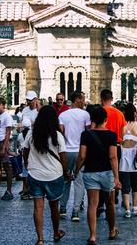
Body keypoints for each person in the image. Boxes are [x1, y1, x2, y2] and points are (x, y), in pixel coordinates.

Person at [74, 106, 121, 244]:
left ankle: (93, 235)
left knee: (92, 205)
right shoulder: (112, 135)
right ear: (106, 120)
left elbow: (82, 156)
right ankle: (112, 230)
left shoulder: (86, 134)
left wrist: (76, 170)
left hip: (91, 173)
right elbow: (113, 157)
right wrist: (117, 177)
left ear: (92, 119)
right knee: (110, 203)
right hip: (107, 173)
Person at [23, 105, 69, 244]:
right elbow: (63, 157)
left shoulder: (32, 134)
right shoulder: (57, 135)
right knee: (54, 206)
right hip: (54, 174)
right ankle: (56, 232)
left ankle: (40, 239)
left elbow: (25, 151)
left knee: (38, 207)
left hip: (35, 174)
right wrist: (65, 172)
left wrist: (27, 165)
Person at [58, 91, 91, 221]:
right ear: (77, 99)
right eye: (82, 99)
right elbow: (88, 132)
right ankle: (75, 212)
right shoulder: (85, 115)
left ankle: (62, 208)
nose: (84, 101)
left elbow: (60, 132)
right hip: (80, 151)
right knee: (79, 182)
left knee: (65, 179)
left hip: (66, 151)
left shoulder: (63, 115)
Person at [99, 89, 126, 212]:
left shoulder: (99, 112)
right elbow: (123, 132)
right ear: (112, 98)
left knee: (99, 173)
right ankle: (113, 197)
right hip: (116, 145)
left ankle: (100, 203)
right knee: (115, 172)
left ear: (101, 98)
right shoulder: (119, 113)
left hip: (100, 146)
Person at [119, 103, 137, 218]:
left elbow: (119, 140)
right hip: (136, 156)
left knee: (125, 185)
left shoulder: (122, 125)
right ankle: (135, 207)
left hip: (123, 156)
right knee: (135, 184)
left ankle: (127, 209)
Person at [0, 97, 14, 201]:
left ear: (3, 105)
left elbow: (8, 132)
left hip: (3, 142)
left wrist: (4, 146)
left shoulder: (7, 116)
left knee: (7, 166)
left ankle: (9, 190)